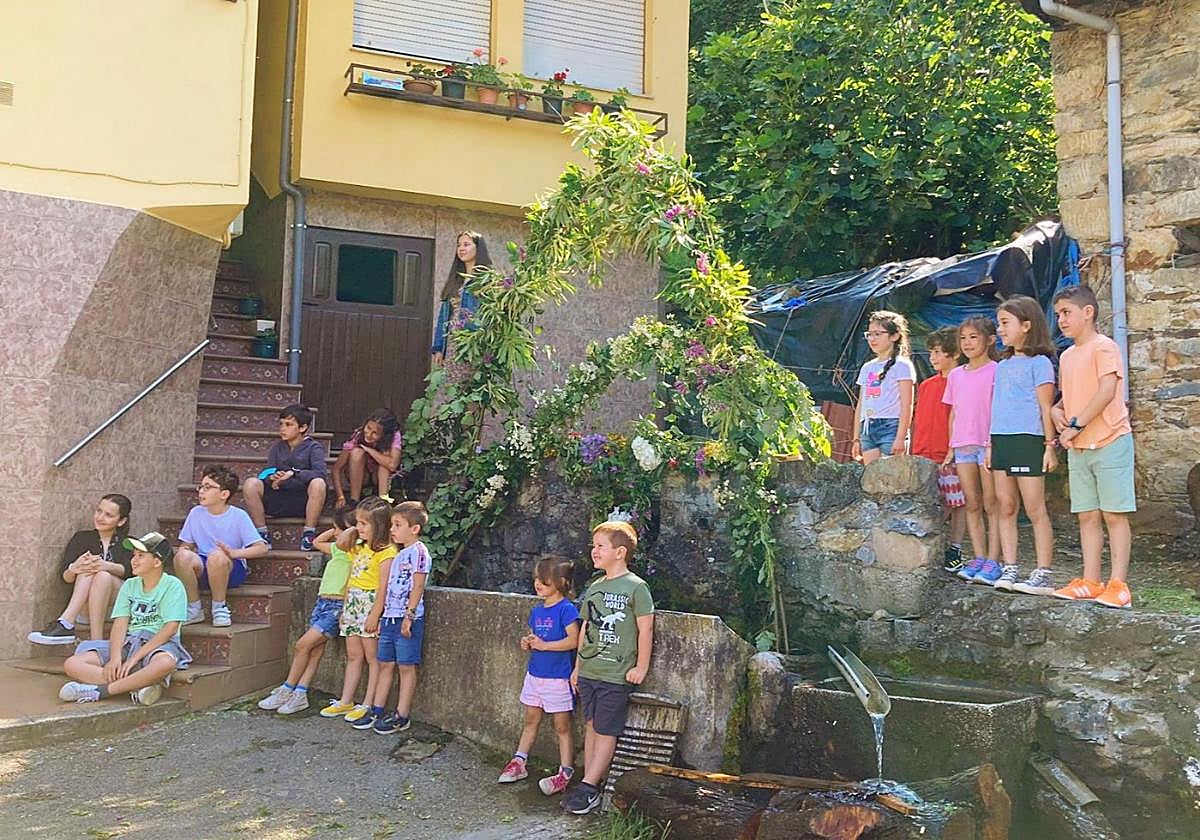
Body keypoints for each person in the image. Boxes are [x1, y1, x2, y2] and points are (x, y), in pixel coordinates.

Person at [1051, 285, 1135, 608]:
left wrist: (1074, 425)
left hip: (1111, 441)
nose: (1061, 319)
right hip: (1080, 447)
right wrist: (1057, 410)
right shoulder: (1067, 355)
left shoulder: (1104, 347)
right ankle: (1090, 580)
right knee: (1087, 515)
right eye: (1058, 314)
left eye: (1067, 313)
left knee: (1114, 515)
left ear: (1088, 312)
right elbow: (1071, 394)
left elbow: (1107, 390)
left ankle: (1119, 584)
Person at [563, 521, 655, 816]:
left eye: (600, 546)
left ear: (620, 552)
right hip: (590, 669)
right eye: (593, 545)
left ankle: (589, 786)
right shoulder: (595, 586)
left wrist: (641, 666)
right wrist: (578, 666)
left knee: (605, 729)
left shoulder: (637, 587)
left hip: (616, 673)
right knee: (591, 726)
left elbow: (645, 630)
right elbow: (586, 627)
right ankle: (590, 782)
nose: (594, 551)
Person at [977, 295, 1057, 591]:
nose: (1000, 329)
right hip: (1001, 440)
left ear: (1026, 325)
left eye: (1005, 323)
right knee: (1006, 505)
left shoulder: (1041, 363)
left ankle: (1043, 570)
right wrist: (989, 444)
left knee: (1035, 508)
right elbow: (995, 406)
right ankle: (1010, 567)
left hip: (1029, 439)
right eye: (999, 323)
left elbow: (1045, 407)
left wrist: (1050, 445)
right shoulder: (1002, 365)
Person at [58, 531, 191, 706]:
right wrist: (114, 659)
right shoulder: (129, 585)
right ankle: (138, 684)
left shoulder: (173, 585)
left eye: (141, 556)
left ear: (157, 561)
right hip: (129, 642)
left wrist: (134, 659)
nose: (133, 560)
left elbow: (170, 629)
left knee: (165, 663)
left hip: (158, 644)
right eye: (134, 555)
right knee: (72, 664)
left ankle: (101, 691)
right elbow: (120, 624)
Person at [257, 506, 356, 715]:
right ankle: (301, 692)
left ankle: (288, 687)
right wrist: (335, 529)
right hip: (322, 603)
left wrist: (348, 531)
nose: (336, 533)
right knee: (314, 650)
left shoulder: (355, 554)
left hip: (336, 607)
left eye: (338, 529)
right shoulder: (337, 550)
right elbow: (317, 542)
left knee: (302, 645)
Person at [498, 555, 580, 796]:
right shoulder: (537, 610)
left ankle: (566, 770)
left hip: (557, 677)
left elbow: (574, 640)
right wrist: (529, 642)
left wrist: (545, 646)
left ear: (561, 582)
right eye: (536, 579)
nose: (538, 584)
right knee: (530, 720)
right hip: (535, 675)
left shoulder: (566, 609)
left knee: (562, 726)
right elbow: (537, 636)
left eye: (544, 580)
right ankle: (519, 761)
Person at [318, 496, 397, 725]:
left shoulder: (387, 553)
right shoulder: (358, 546)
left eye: (364, 523)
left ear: (379, 525)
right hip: (352, 602)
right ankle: (346, 699)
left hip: (370, 603)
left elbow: (384, 586)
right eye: (358, 522)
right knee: (353, 655)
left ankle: (368, 702)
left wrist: (375, 614)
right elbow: (341, 543)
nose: (359, 527)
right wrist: (354, 528)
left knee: (372, 658)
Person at [361, 501, 432, 734]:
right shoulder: (399, 554)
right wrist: (383, 617)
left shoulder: (419, 552)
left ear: (415, 529)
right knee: (385, 663)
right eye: (392, 524)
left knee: (406, 666)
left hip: (406, 619)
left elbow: (418, 585)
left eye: (398, 525)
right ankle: (377, 709)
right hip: (390, 618)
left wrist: (409, 616)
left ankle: (402, 714)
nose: (392, 529)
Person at [943, 318, 1002, 584]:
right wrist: (950, 446)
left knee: (992, 502)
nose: (967, 343)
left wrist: (992, 443)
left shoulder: (996, 371)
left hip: (987, 444)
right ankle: (978, 556)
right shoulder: (955, 374)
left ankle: (994, 559)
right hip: (963, 445)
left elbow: (1000, 410)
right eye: (963, 338)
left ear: (990, 340)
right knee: (972, 502)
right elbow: (954, 412)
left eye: (973, 337)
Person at [29, 494, 133, 645]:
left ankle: (68, 624)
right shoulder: (82, 538)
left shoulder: (129, 543)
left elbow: (133, 573)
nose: (100, 517)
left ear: (121, 521)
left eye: (108, 515)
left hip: (118, 610)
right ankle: (70, 623)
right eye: (99, 511)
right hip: (85, 608)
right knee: (88, 568)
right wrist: (74, 568)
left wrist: (106, 566)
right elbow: (65, 577)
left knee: (102, 575)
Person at [174, 464, 269, 627]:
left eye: (208, 487)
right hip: (203, 566)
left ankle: (219, 607)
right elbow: (186, 544)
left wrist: (233, 553)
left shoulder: (238, 515)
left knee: (217, 555)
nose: (201, 491)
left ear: (224, 494)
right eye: (201, 486)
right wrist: (184, 552)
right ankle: (194, 608)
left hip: (231, 567)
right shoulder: (195, 513)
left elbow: (262, 548)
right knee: (182, 556)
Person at [911, 327, 967, 572]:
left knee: (957, 502)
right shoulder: (926, 385)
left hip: (950, 452)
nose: (932, 357)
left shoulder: (963, 379)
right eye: (931, 352)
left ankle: (955, 547)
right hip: (923, 452)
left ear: (954, 353)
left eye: (937, 352)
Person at [241, 404, 328, 551]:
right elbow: (266, 473)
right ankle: (262, 534)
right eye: (281, 424)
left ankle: (308, 534)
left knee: (318, 483)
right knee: (251, 483)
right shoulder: (277, 447)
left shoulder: (314, 447)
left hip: (302, 500)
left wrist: (294, 473)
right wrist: (272, 477)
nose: (282, 428)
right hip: (278, 498)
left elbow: (320, 473)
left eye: (288, 425)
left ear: (302, 428)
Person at [852, 311, 916, 464]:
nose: (872, 339)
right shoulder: (867, 367)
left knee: (892, 480)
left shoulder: (902, 365)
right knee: (872, 479)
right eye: (870, 334)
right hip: (868, 427)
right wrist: (856, 438)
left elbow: (907, 404)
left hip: (891, 426)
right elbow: (861, 403)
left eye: (878, 334)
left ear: (894, 336)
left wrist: (900, 437)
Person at [431, 230, 492, 369]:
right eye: (459, 245)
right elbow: (444, 317)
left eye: (466, 244)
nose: (461, 248)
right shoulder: (456, 280)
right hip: (452, 343)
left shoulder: (487, 281)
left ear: (478, 248)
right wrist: (439, 347)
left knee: (470, 386)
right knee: (450, 386)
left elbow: (490, 316)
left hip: (473, 345)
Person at [331, 408, 402, 509]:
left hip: (380, 478)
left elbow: (392, 465)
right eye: (368, 428)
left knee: (385, 461)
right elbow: (336, 469)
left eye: (375, 433)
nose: (368, 434)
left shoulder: (394, 436)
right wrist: (340, 496)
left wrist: (370, 450)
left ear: (384, 435)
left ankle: (383, 502)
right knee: (356, 452)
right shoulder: (358, 436)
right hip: (362, 477)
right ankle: (354, 501)